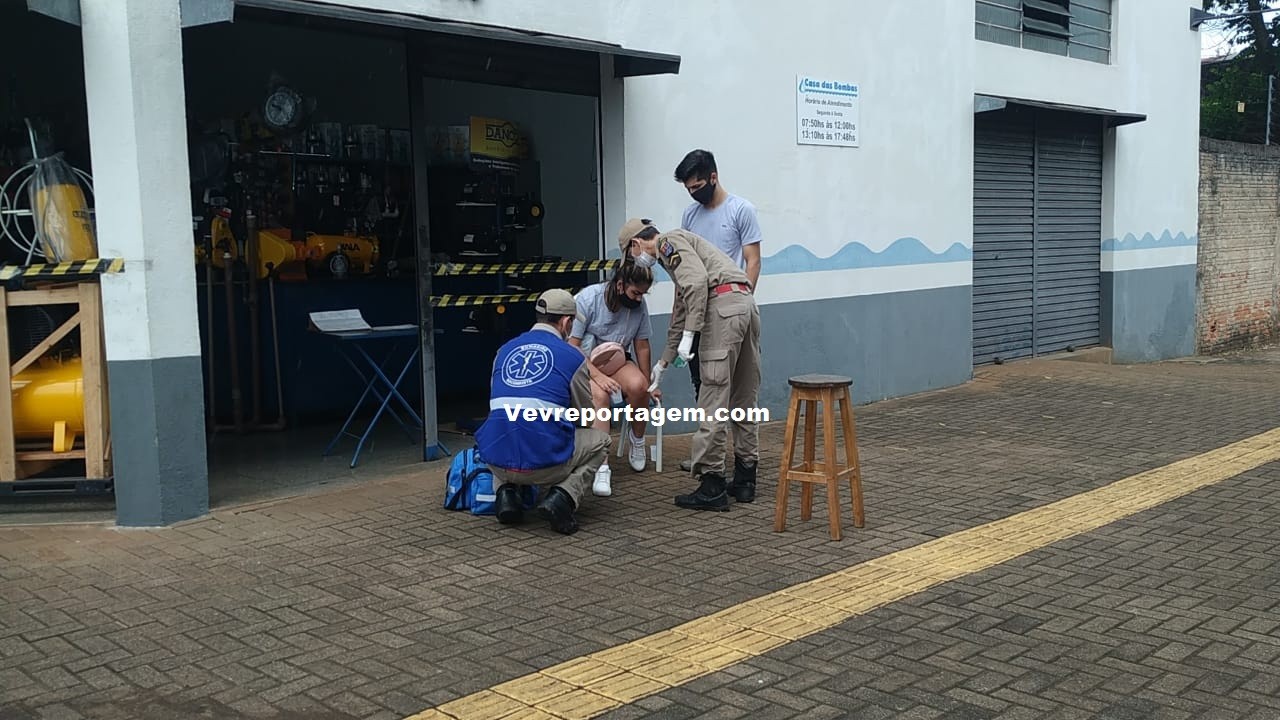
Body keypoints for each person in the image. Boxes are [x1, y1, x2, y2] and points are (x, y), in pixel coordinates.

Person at [617, 218, 761, 510]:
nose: (635, 262)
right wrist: (663, 363)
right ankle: (745, 480)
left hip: (721, 311)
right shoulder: (683, 252)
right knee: (744, 396)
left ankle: (712, 485)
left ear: (635, 244)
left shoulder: (667, 243)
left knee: (713, 397)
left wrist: (690, 335)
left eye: (630, 256)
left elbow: (696, 286)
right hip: (744, 305)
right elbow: (682, 308)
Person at [474, 289, 611, 535]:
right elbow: (586, 417)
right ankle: (562, 498)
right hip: (544, 465)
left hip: (496, 460)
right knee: (601, 441)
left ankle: (506, 496)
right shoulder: (572, 357)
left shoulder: (503, 351)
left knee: (507, 426)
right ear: (566, 322)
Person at [674, 149, 763, 471]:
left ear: (713, 177)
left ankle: (734, 469)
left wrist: (742, 302)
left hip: (730, 309)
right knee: (705, 389)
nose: (693, 193)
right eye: (688, 189)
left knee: (740, 392)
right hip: (700, 312)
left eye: (698, 186)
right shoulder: (690, 217)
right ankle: (710, 458)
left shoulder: (741, 210)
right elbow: (687, 269)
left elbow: (753, 261)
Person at [567, 260, 657, 495]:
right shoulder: (588, 299)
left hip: (617, 359)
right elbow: (572, 346)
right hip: (583, 363)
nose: (639, 298)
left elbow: (642, 345)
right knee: (600, 396)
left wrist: (649, 383)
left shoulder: (639, 306)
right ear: (620, 285)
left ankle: (637, 440)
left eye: (643, 294)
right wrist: (597, 376)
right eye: (635, 292)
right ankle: (601, 465)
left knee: (640, 386)